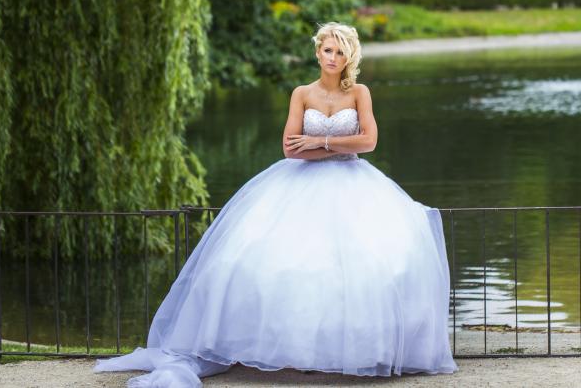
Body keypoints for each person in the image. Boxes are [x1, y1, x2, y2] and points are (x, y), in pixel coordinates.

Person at [95, 23, 457, 386]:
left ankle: (349, 350)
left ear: (350, 57)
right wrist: (328, 144)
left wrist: (319, 142)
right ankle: (288, 350)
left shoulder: (360, 92)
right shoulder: (302, 93)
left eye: (340, 52)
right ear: (318, 52)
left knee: (362, 264)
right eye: (328, 50)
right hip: (299, 183)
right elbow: (289, 148)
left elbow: (369, 142)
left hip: (352, 181)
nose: (333, 58)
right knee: (284, 263)